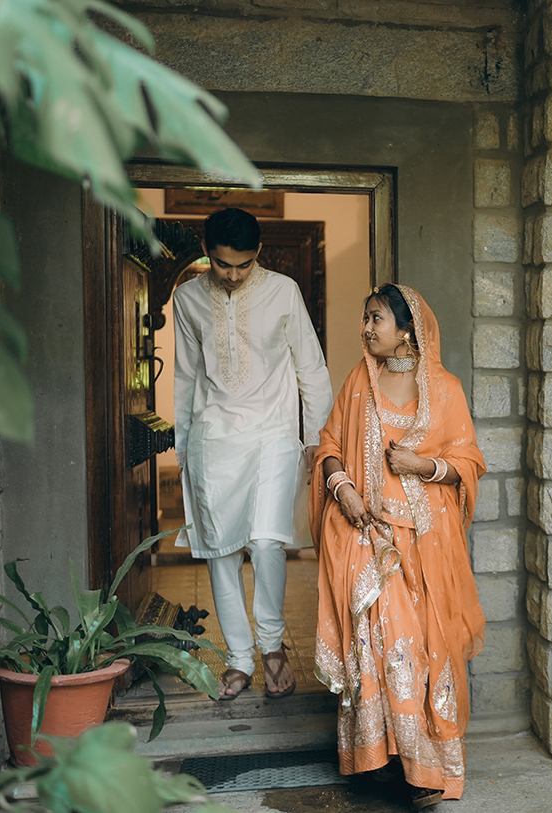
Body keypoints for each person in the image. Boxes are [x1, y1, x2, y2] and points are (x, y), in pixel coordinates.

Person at [309, 284, 486, 809]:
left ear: (407, 329)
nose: (366, 329)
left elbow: (468, 461)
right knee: (378, 648)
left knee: (422, 651)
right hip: (367, 541)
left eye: (376, 319)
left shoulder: (447, 389)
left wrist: (422, 466)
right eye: (365, 319)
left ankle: (425, 769)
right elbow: (329, 445)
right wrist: (342, 490)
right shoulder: (358, 385)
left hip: (425, 548)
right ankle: (375, 758)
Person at [172, 207, 333, 700]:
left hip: (273, 433)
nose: (234, 275)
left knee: (266, 543)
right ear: (207, 253)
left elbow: (312, 368)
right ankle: (239, 658)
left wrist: (316, 443)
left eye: (243, 264)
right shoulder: (188, 298)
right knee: (220, 553)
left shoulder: (283, 291)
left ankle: (272, 645)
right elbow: (184, 376)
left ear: (258, 253)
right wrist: (183, 448)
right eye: (223, 265)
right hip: (213, 438)